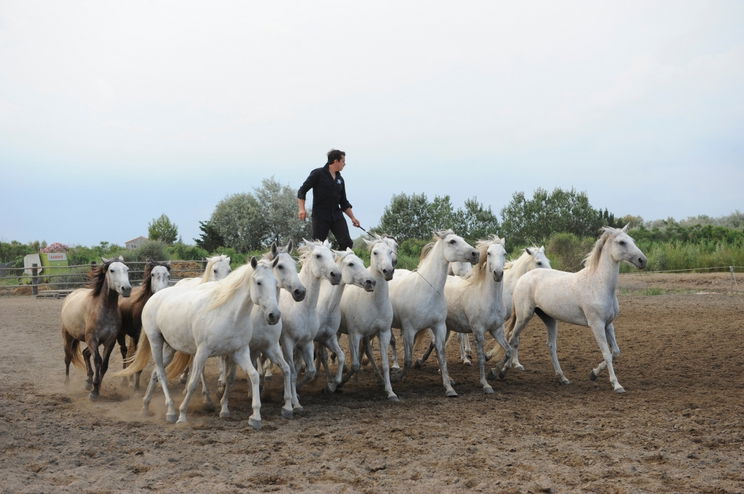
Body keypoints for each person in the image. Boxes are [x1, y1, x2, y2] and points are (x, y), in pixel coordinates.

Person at [297, 149, 361, 250]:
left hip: (337, 216)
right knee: (318, 246)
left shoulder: (340, 179)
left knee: (347, 243)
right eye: (343, 161)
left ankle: (339, 264)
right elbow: (302, 191)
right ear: (336, 161)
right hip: (320, 216)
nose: (345, 164)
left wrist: (353, 218)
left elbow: (343, 202)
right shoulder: (318, 174)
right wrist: (301, 209)